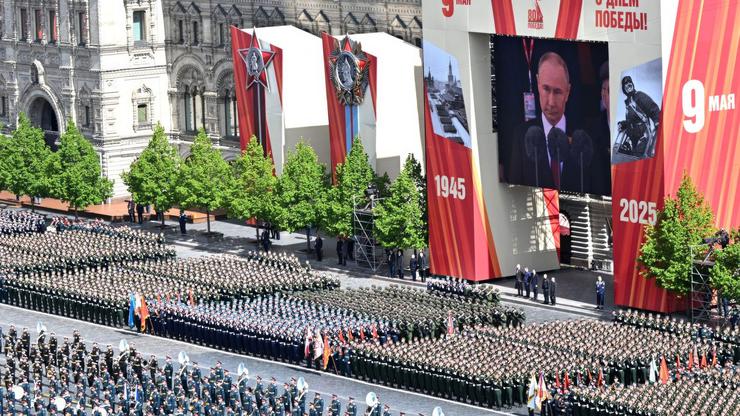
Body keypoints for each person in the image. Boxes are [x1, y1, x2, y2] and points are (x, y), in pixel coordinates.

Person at [508, 52, 593, 192]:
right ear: (537, 82)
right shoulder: (520, 136)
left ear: (568, 92)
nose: (551, 102)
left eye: (558, 92)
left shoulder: (586, 139)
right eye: (546, 89)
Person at [617, 75, 660, 157]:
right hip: (633, 137)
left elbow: (653, 108)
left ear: (632, 84)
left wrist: (657, 120)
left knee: (637, 158)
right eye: (625, 84)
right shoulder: (628, 102)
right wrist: (622, 124)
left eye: (630, 82)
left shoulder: (639, 96)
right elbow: (631, 121)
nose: (628, 84)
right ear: (624, 89)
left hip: (643, 136)